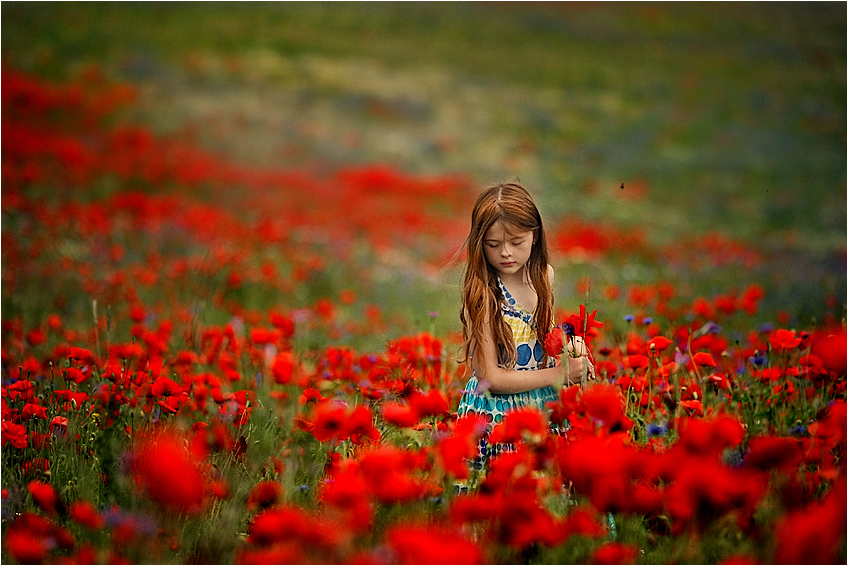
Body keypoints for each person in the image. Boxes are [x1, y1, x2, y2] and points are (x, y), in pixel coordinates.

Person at [456, 181, 595, 472]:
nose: (506, 253)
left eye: (516, 242)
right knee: (504, 490)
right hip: (496, 415)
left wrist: (571, 346)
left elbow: (546, 336)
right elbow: (490, 377)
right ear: (480, 244)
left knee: (545, 492)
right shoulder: (483, 293)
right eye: (493, 245)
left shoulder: (544, 276)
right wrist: (559, 374)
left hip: (541, 404)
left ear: (535, 236)